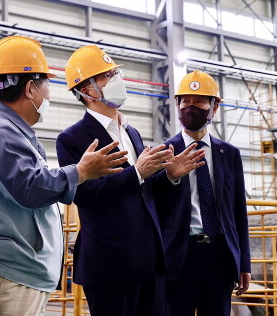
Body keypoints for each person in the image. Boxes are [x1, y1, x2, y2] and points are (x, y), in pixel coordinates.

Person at [0, 36, 129, 316]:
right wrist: (81, 171)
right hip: (7, 276)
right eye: (47, 84)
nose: (49, 93)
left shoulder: (12, 131)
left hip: (18, 274)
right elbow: (31, 188)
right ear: (30, 88)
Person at [56, 45, 204, 316]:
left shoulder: (131, 131)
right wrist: (135, 172)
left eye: (115, 73)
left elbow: (143, 189)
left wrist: (170, 176)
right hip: (111, 263)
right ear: (86, 91)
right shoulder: (72, 138)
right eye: (106, 76)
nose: (116, 79)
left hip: (149, 259)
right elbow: (85, 193)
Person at [160, 70, 251, 316]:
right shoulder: (164, 152)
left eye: (199, 101)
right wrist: (171, 176)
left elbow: (238, 213)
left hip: (220, 256)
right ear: (177, 105)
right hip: (179, 256)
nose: (191, 107)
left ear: (214, 107)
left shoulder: (229, 154)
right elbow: (156, 207)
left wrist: (244, 263)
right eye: (185, 101)